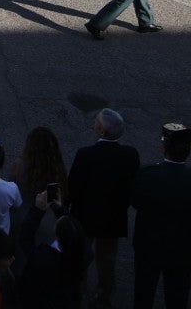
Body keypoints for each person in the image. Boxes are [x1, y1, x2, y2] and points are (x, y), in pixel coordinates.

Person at [131, 124, 191, 309]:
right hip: (183, 248)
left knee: (143, 293)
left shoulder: (147, 174)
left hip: (148, 245)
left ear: (164, 148)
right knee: (178, 297)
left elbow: (135, 201)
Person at [66, 108, 138, 309]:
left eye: (96, 122)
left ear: (101, 131)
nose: (94, 123)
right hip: (112, 218)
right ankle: (104, 298)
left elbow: (74, 186)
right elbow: (132, 186)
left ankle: (79, 292)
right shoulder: (130, 155)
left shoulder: (85, 155)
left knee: (81, 256)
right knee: (107, 260)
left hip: (85, 216)